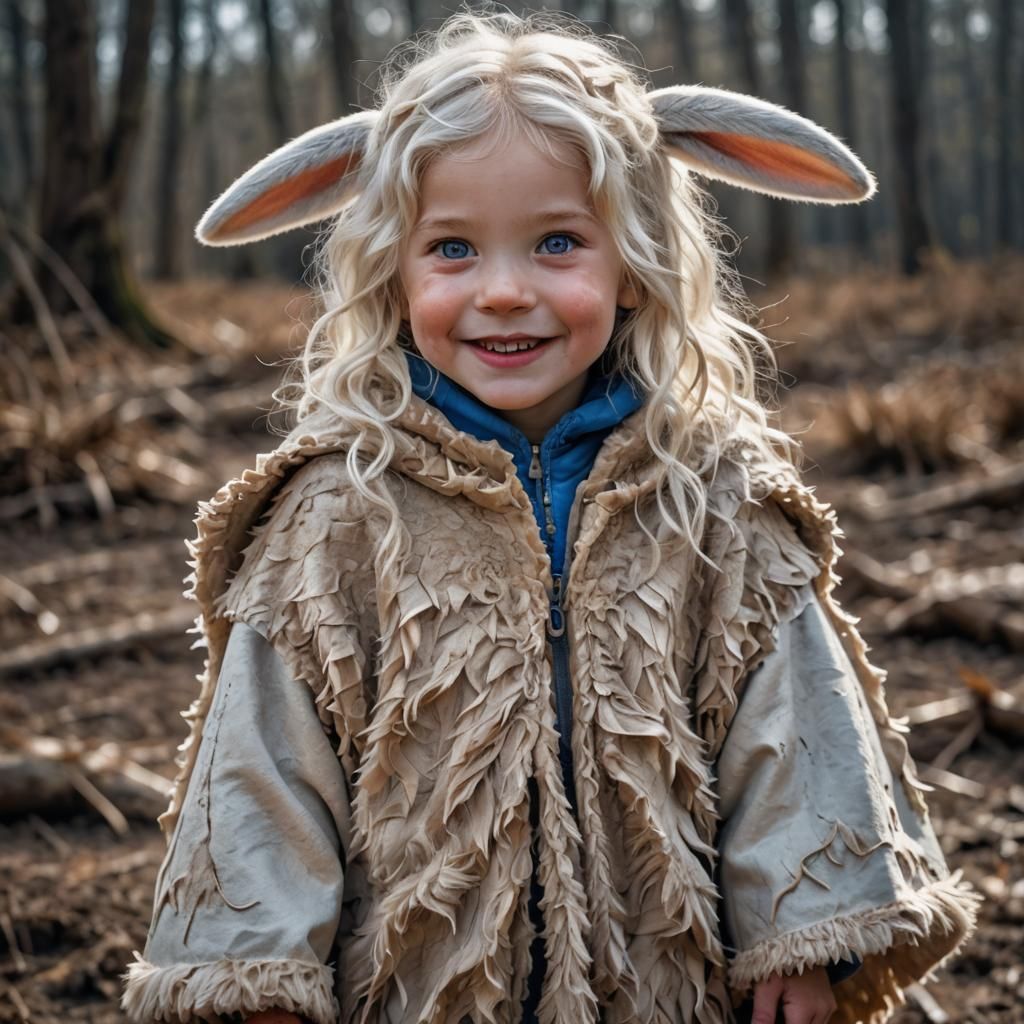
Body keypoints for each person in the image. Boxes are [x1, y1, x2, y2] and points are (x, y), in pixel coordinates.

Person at [121, 12, 980, 1024]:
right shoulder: (332, 514)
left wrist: (805, 934)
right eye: (451, 247)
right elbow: (260, 771)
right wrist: (257, 980)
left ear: (634, 259)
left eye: (558, 241)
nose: (503, 291)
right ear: (392, 268)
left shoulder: (714, 499)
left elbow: (794, 732)